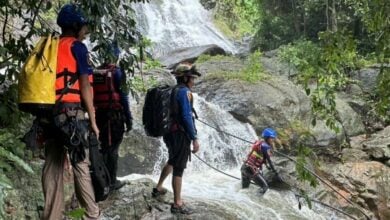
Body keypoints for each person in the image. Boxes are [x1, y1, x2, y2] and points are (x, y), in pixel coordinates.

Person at [41, 4, 100, 219]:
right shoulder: (78, 47)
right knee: (80, 161)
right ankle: (92, 214)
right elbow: (85, 86)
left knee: (53, 163)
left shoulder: (50, 47)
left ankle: (52, 216)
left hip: (48, 113)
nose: (85, 32)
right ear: (75, 27)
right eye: (84, 27)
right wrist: (93, 120)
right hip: (71, 113)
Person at [152, 62, 201, 214]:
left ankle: (159, 187)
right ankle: (177, 203)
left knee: (173, 160)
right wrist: (194, 137)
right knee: (179, 167)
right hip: (179, 133)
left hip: (169, 132)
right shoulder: (185, 92)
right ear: (185, 78)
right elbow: (186, 116)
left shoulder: (173, 90)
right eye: (192, 78)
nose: (193, 81)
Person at [93, 44, 133, 191]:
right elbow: (123, 97)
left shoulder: (96, 72)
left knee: (103, 147)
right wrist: (129, 119)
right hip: (114, 117)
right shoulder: (117, 72)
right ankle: (111, 181)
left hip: (99, 116)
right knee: (113, 149)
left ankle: (101, 179)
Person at [241, 128, 281, 194]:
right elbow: (269, 161)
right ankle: (255, 199)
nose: (273, 140)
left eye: (273, 138)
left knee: (244, 190)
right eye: (271, 138)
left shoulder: (259, 143)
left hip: (244, 168)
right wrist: (276, 173)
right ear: (267, 138)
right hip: (251, 169)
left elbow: (262, 159)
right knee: (265, 187)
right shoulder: (265, 147)